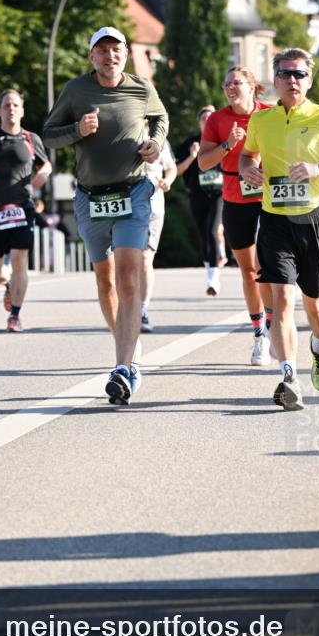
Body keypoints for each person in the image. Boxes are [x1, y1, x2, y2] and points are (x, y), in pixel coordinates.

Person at [42, 25, 168, 404]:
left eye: (116, 50)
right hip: (90, 197)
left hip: (134, 192)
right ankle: (127, 345)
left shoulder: (142, 88)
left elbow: (160, 120)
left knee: (128, 277)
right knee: (105, 282)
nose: (109, 56)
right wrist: (77, 129)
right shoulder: (75, 90)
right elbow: (48, 134)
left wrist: (155, 144)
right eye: (102, 50)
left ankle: (123, 367)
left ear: (126, 54)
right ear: (91, 56)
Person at [239, 47, 319, 411]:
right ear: (274, 80)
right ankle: (289, 377)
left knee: (316, 307)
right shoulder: (261, 121)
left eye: (299, 75)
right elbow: (248, 155)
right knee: (283, 300)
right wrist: (247, 167)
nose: (293, 80)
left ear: (310, 80)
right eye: (286, 74)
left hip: (316, 220)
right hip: (274, 219)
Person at [198, 66, 274, 365]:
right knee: (249, 270)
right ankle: (259, 333)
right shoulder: (217, 119)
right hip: (235, 196)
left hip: (270, 196)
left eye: (237, 82)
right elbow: (204, 163)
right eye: (226, 83)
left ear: (252, 86)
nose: (231, 87)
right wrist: (227, 144)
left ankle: (272, 326)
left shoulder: (270, 112)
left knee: (268, 265)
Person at [0, 88, 52, 331]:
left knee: (19, 260)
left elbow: (45, 163)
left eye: (15, 105)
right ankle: (7, 285)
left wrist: (43, 174)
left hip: (22, 209)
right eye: (6, 105)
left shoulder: (30, 138)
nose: (11, 109)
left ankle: (15, 315)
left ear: (22, 110)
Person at [175, 106, 225, 294]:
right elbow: (177, 171)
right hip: (197, 195)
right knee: (203, 235)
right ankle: (211, 268)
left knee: (212, 230)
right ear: (199, 121)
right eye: (203, 117)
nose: (207, 120)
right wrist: (192, 156)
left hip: (220, 194)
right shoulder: (189, 144)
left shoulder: (223, 141)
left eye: (210, 117)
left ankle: (213, 279)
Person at [140, 137, 177, 333]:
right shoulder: (122, 130)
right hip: (126, 209)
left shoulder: (159, 137)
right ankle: (126, 309)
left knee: (145, 259)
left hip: (153, 207)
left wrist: (167, 180)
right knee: (126, 261)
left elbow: (171, 167)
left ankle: (142, 310)